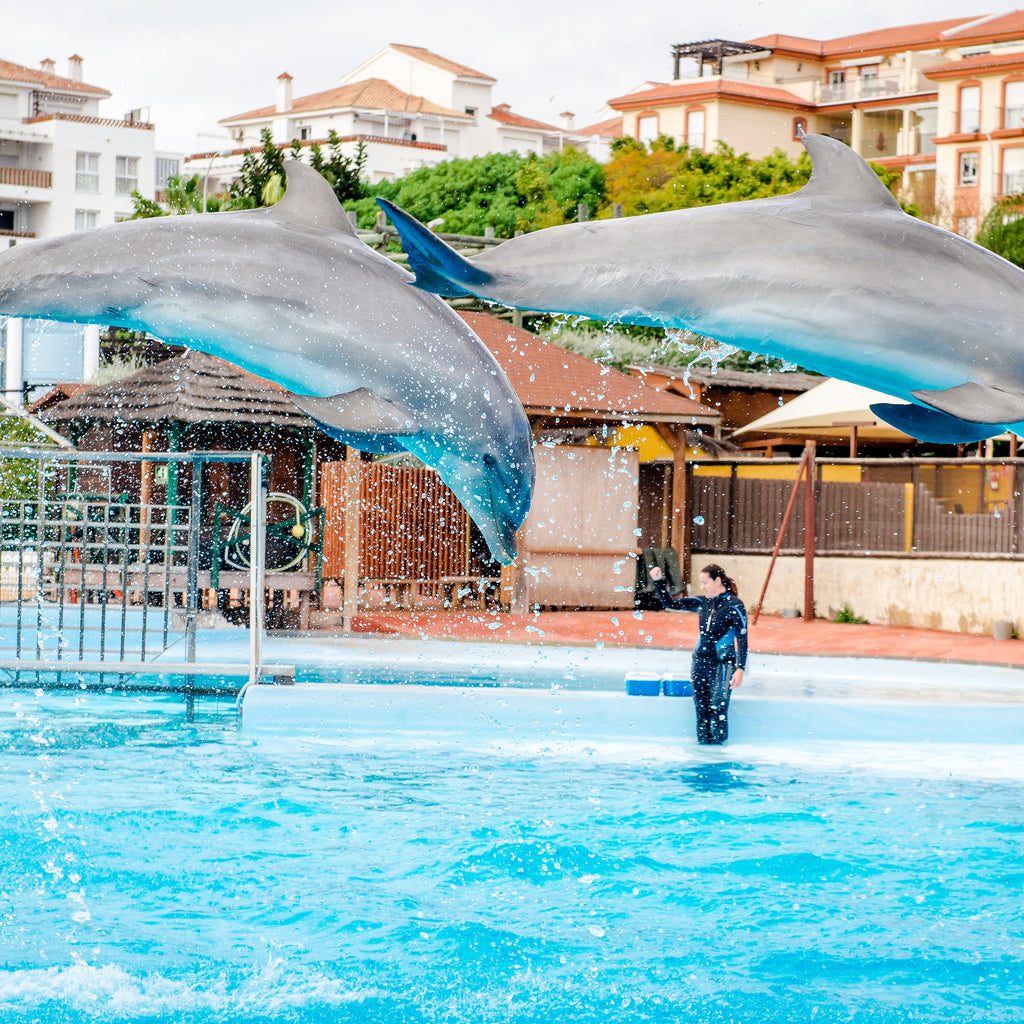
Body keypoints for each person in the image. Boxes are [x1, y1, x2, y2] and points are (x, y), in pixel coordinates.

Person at [648, 562, 748, 744]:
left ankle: (717, 755)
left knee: (718, 709)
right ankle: (703, 755)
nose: (702, 587)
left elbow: (742, 638)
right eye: (701, 583)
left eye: (705, 583)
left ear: (717, 581)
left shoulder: (735, 605)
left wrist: (740, 668)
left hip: (723, 665)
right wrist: (658, 581)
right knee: (701, 710)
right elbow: (670, 603)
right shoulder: (702, 602)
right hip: (699, 664)